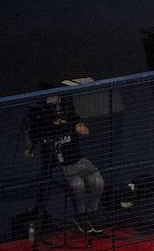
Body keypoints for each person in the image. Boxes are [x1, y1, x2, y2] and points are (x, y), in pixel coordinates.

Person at [23, 94, 106, 235]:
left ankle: (92, 213)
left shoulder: (70, 116)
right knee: (78, 185)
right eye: (52, 104)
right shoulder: (41, 124)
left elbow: (85, 130)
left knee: (98, 181)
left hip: (79, 159)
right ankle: (80, 217)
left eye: (58, 103)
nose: (56, 107)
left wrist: (77, 127)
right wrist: (29, 148)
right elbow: (30, 142)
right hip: (60, 165)